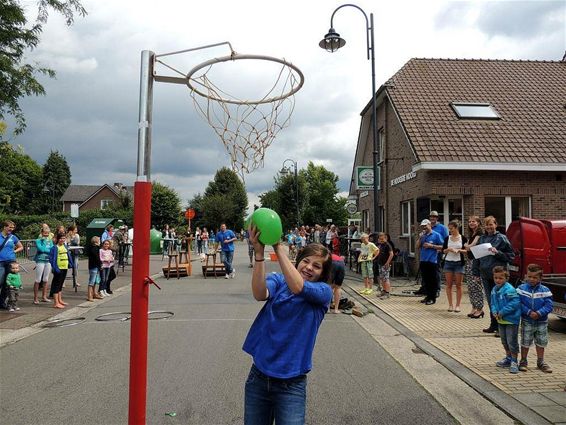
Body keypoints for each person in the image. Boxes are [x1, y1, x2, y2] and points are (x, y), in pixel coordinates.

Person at [243, 227, 333, 424]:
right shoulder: (279, 280)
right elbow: (260, 293)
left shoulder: (323, 293)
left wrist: (277, 247)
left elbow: (298, 287)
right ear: (298, 261)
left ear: (322, 273)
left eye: (317, 266)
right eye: (306, 261)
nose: (309, 267)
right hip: (258, 377)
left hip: (291, 384)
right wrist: (259, 255)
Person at [478, 216, 515, 334]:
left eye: (491, 224)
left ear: (496, 224)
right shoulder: (482, 238)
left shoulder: (502, 238)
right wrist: (475, 271)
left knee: (501, 300)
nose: (489, 227)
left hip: (499, 276)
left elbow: (511, 256)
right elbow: (477, 257)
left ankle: (501, 326)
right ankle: (493, 324)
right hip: (485, 274)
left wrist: (497, 252)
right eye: (487, 225)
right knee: (491, 300)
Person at [517, 264, 554, 373]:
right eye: (529, 276)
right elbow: (518, 303)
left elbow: (549, 305)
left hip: (541, 321)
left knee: (541, 341)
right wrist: (528, 312)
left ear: (540, 278)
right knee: (525, 340)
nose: (531, 279)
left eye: (535, 277)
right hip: (527, 320)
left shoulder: (545, 290)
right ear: (526, 276)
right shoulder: (521, 289)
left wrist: (539, 313)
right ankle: (523, 361)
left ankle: (540, 361)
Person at [490, 266, 521, 374]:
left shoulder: (510, 289)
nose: (497, 280)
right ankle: (508, 358)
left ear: (506, 278)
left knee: (511, 341)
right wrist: (494, 311)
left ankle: (514, 361)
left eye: (500, 278)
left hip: (511, 319)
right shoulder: (494, 289)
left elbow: (514, 303)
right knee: (504, 341)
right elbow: (493, 302)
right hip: (500, 320)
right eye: (495, 278)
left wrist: (502, 312)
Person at [442, 220, 468, 313]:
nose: (450, 231)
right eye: (449, 229)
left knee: (458, 285)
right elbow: (443, 250)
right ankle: (450, 305)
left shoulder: (463, 238)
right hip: (448, 262)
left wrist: (459, 251)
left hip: (459, 263)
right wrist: (448, 249)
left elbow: (467, 250)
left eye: (451, 229)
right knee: (448, 284)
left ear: (457, 228)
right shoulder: (447, 238)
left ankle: (458, 305)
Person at [416, 219, 444, 305]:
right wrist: (420, 238)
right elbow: (417, 246)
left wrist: (431, 246)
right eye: (423, 226)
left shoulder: (436, 235)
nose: (424, 228)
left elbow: (443, 246)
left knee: (432, 280)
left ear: (430, 225)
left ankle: (432, 298)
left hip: (432, 260)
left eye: (426, 226)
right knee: (425, 280)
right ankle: (427, 296)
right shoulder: (423, 236)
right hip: (423, 260)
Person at [464, 216, 485, 318]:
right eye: (470, 221)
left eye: (473, 221)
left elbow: (469, 246)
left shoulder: (479, 234)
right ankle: (474, 306)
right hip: (469, 261)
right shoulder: (471, 234)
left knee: (476, 285)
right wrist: (467, 246)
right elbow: (467, 247)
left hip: (476, 262)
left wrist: (467, 246)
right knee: (470, 286)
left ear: (478, 223)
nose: (471, 223)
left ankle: (480, 309)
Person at [0, 220, 24, 309]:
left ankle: (2, 302)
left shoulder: (13, 237)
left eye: (13, 228)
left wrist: (14, 251)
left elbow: (21, 246)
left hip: (11, 262)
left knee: (8, 284)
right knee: (0, 281)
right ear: (4, 227)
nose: (11, 229)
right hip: (0, 262)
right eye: (10, 227)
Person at [49, 233, 74, 309]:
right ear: (57, 239)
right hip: (58, 267)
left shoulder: (65, 246)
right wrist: (55, 267)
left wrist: (70, 264)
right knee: (56, 284)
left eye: (63, 238)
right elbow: (51, 258)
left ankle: (60, 300)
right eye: (61, 238)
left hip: (65, 267)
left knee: (61, 284)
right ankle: (56, 302)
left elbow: (68, 256)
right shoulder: (54, 247)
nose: (62, 240)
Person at [429, 211, 448, 297]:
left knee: (436, 271)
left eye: (434, 217)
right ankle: (428, 288)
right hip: (428, 254)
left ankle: (437, 289)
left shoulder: (442, 228)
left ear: (437, 218)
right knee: (428, 272)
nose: (432, 218)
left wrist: (439, 249)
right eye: (431, 217)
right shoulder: (428, 227)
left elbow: (446, 241)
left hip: (437, 253)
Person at [33, 225, 53, 304]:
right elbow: (41, 249)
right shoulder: (38, 240)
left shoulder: (50, 240)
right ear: (41, 233)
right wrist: (44, 242)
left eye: (47, 233)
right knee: (38, 279)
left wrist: (46, 249)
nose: (46, 235)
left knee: (46, 279)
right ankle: (35, 298)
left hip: (48, 261)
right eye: (45, 233)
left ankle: (44, 296)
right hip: (40, 261)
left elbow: (51, 250)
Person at [376, 232, 394, 299]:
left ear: (386, 238)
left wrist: (387, 263)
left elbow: (391, 254)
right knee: (382, 278)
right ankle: (383, 291)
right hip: (380, 264)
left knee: (386, 278)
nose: (381, 240)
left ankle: (387, 292)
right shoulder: (380, 245)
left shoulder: (387, 245)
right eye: (380, 239)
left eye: (382, 239)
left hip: (385, 264)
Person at [87, 236, 103, 301]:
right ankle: (89, 295)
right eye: (99, 240)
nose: (100, 241)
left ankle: (94, 293)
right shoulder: (94, 249)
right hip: (94, 266)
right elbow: (97, 258)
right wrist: (100, 265)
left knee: (95, 281)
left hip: (95, 266)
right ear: (96, 241)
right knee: (91, 281)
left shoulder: (96, 248)